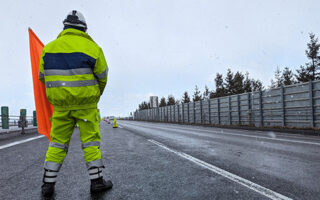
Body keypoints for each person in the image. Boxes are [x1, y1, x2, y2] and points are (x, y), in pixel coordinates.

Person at [39, 10, 112, 197]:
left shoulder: (48, 49)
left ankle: (48, 184)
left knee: (57, 144)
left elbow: (42, 78)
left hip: (61, 106)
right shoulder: (93, 48)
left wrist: (60, 93)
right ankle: (96, 181)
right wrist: (94, 96)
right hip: (86, 105)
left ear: (64, 27)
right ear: (84, 28)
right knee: (90, 142)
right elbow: (103, 77)